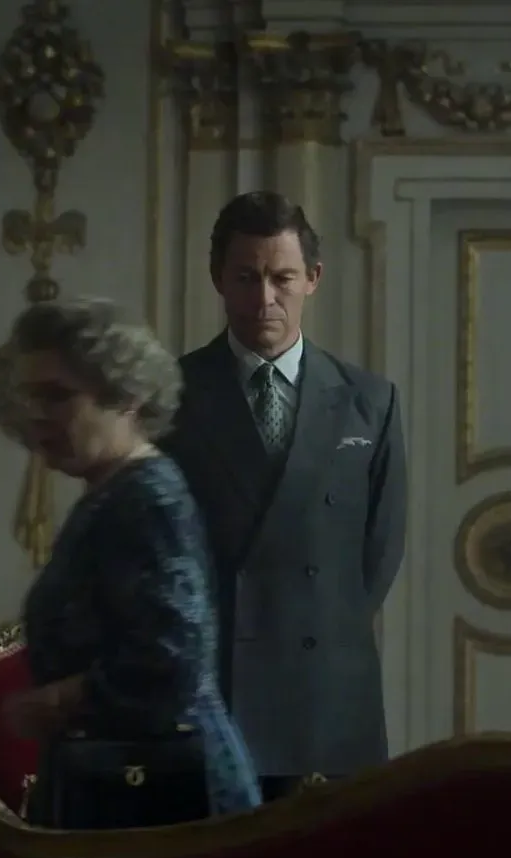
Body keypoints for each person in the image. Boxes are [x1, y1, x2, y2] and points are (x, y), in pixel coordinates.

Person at [162, 191, 408, 802]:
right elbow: (158, 551)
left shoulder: (370, 400)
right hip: (218, 689)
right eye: (247, 278)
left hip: (329, 694)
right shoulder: (171, 395)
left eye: (282, 278)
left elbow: (379, 551)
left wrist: (325, 621)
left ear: (313, 279)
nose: (265, 298)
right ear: (218, 278)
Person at [0, 298, 261, 829]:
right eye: (30, 397)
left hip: (163, 798)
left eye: (57, 396)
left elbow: (171, 660)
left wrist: (55, 701)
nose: (37, 415)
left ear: (127, 397)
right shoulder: (115, 493)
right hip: (124, 785)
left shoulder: (148, 500)